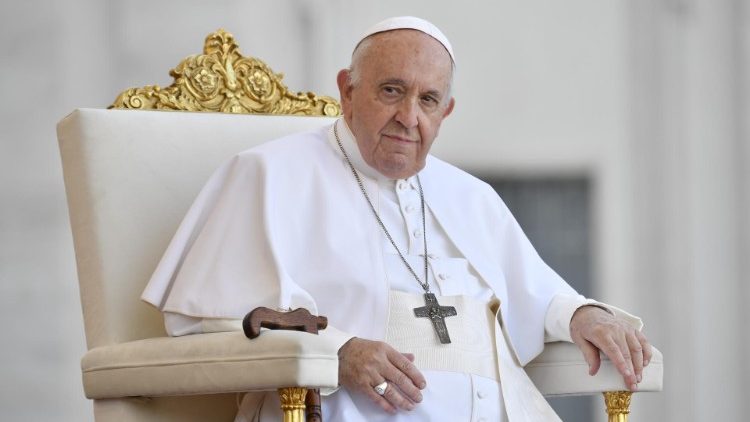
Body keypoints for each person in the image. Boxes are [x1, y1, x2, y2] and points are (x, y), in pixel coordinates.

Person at [142, 16, 652, 421]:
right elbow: (206, 317)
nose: (409, 117)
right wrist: (337, 352)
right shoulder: (268, 174)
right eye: (391, 90)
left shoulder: (469, 195)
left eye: (428, 100)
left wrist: (583, 314)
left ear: (445, 112)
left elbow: (535, 293)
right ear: (347, 90)